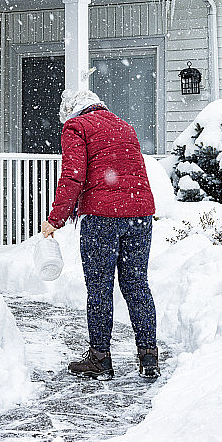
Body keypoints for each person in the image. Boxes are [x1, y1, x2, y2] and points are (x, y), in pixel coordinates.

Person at [41, 88, 159, 380]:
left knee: (100, 288)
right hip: (139, 215)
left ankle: (100, 359)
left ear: (70, 111)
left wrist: (55, 219)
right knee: (137, 285)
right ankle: (148, 357)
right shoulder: (124, 126)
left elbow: (73, 176)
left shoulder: (76, 126)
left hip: (102, 217)